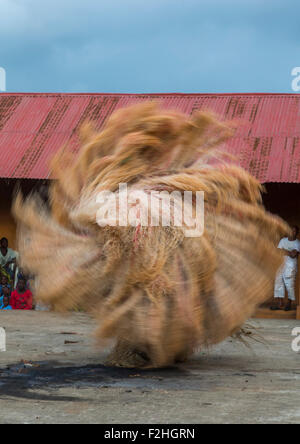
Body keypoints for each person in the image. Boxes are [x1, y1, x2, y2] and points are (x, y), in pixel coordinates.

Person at [272, 225, 300, 311]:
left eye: (294, 231)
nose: (292, 233)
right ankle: (280, 304)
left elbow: (294, 255)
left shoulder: (297, 243)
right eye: (291, 231)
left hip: (291, 266)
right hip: (280, 263)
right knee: (278, 283)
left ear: (297, 233)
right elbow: (278, 251)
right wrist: (289, 252)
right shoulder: (283, 240)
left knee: (289, 284)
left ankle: (289, 304)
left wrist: (283, 251)